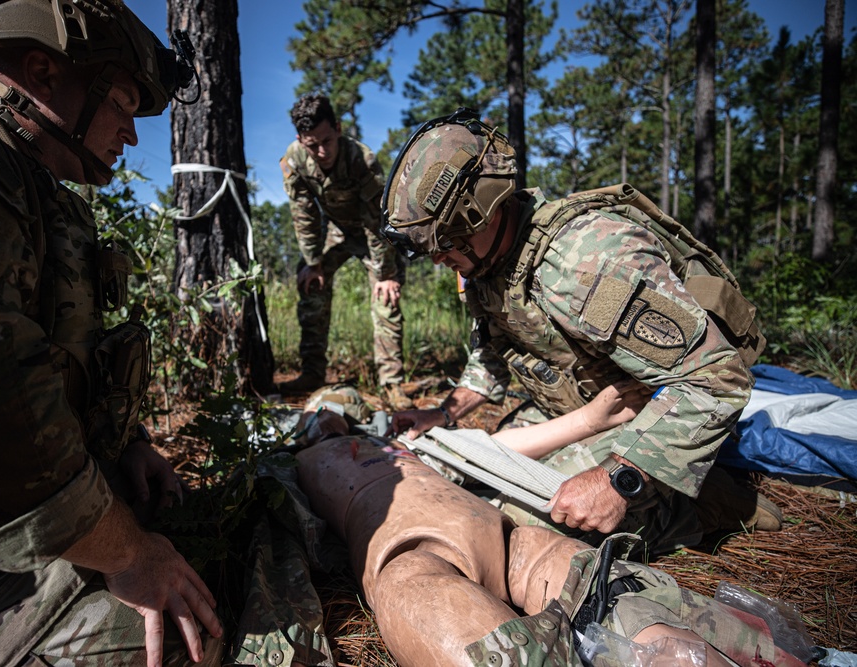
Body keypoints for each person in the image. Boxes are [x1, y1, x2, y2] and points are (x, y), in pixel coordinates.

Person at [0, 1, 221, 664]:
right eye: (122, 101)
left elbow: (54, 356)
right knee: (174, 638)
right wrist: (128, 550)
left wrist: (129, 442)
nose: (131, 135)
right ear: (42, 71)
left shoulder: (33, 190)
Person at [383, 109, 781, 556]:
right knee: (458, 474)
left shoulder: (585, 260)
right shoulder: (489, 267)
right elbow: (492, 356)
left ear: (480, 211)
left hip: (645, 423)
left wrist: (619, 478)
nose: (439, 260)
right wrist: (445, 412)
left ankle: (698, 505)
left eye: (445, 243)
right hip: (576, 414)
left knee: (513, 529)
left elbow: (715, 378)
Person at [291, 393, 810, 667]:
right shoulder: (287, 467)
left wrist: (587, 420)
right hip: (408, 549)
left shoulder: (413, 444)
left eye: (340, 405)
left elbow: (492, 449)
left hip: (502, 533)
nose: (330, 413)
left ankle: (696, 649)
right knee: (412, 589)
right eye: (320, 407)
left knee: (603, 590)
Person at [277, 93, 412, 409]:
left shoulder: (361, 160)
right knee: (310, 284)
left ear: (337, 128)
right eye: (313, 145)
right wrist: (313, 263)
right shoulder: (294, 161)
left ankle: (392, 384)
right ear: (300, 139)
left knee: (386, 297)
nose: (322, 151)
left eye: (327, 140)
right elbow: (304, 214)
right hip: (336, 230)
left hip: (374, 231)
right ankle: (311, 372)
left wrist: (385, 274)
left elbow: (377, 219)